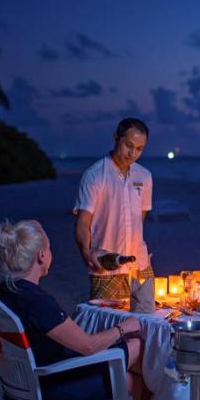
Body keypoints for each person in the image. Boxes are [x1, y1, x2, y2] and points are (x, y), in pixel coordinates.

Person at [0, 219, 144, 400]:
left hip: (19, 383)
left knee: (121, 367)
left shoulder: (5, 291)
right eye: (50, 248)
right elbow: (88, 347)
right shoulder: (38, 302)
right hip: (50, 384)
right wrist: (125, 327)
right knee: (136, 350)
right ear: (42, 255)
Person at [74, 117, 153, 300]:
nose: (132, 153)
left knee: (148, 322)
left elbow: (139, 220)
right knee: (107, 322)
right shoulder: (94, 175)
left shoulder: (145, 176)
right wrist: (87, 254)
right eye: (128, 145)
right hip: (107, 268)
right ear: (116, 138)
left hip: (140, 265)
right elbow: (82, 222)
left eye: (139, 149)